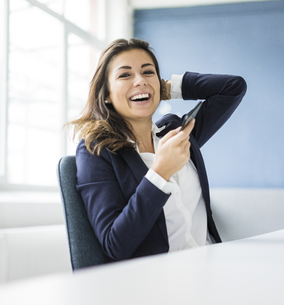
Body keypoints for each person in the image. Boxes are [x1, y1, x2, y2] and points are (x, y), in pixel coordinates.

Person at [70, 38, 246, 261]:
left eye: (148, 72)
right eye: (125, 75)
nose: (140, 81)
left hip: (210, 265)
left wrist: (166, 89)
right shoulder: (96, 151)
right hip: (160, 281)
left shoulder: (175, 132)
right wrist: (160, 172)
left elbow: (233, 88)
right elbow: (115, 245)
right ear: (106, 94)